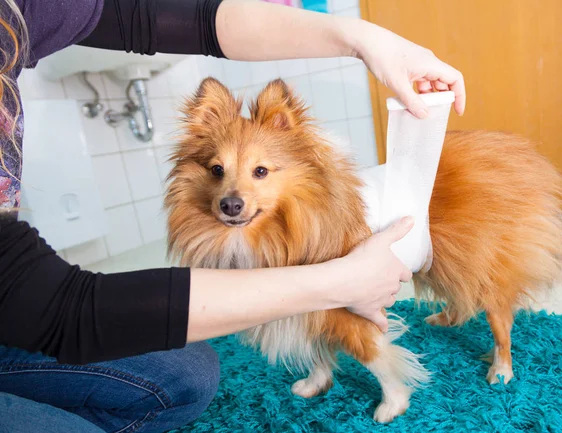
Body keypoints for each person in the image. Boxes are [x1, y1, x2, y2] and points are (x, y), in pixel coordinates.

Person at [0, 0, 466, 431]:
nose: (233, 194)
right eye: (218, 170)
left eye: (260, 172)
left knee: (188, 372)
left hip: (24, 315)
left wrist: (364, 39)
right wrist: (336, 282)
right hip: (32, 313)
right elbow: (54, 309)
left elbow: (158, 16)